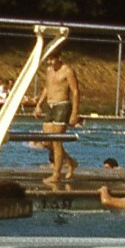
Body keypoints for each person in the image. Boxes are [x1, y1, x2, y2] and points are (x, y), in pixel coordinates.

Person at [31, 50, 79, 186]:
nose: (49, 62)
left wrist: (74, 112)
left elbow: (75, 91)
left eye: (52, 59)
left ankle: (56, 174)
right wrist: (39, 104)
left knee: (57, 141)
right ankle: (71, 162)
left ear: (59, 57)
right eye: (48, 60)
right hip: (50, 106)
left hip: (62, 105)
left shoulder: (68, 71)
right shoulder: (49, 70)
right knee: (47, 142)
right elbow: (47, 88)